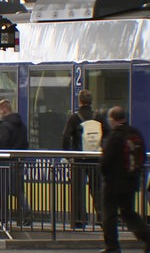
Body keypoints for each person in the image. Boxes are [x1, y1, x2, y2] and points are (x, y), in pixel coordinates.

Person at [100, 106, 150, 253]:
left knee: (109, 215)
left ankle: (112, 246)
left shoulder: (114, 136)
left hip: (112, 184)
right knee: (129, 213)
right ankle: (147, 237)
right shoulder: (134, 133)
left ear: (113, 120)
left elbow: (106, 162)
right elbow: (142, 156)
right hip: (131, 181)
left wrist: (105, 175)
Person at [62, 89, 106, 229]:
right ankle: (102, 218)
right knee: (98, 189)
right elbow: (107, 134)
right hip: (96, 159)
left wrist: (68, 156)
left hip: (79, 159)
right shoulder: (99, 116)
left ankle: (79, 220)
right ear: (91, 101)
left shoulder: (74, 118)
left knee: (78, 190)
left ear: (80, 101)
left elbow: (65, 137)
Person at [0, 99, 32, 226]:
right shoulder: (22, 124)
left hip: (6, 162)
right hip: (18, 161)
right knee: (18, 190)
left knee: (3, 190)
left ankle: (3, 217)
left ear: (4, 110)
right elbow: (25, 143)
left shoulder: (5, 126)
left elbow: (2, 143)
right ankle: (26, 214)